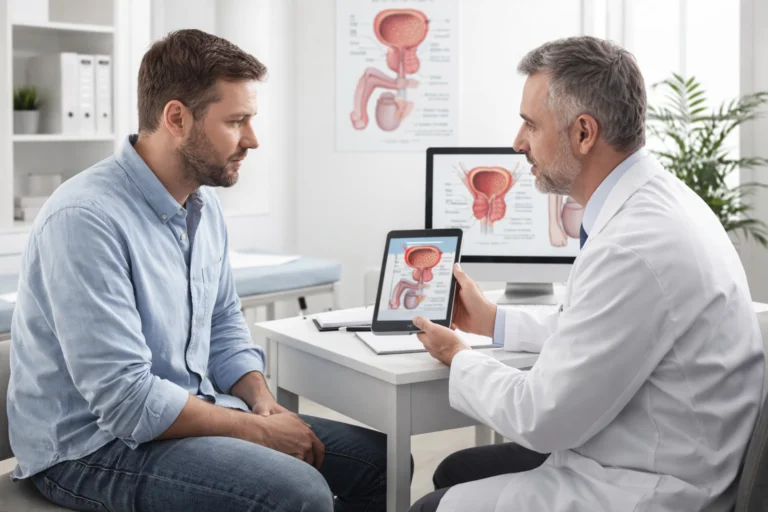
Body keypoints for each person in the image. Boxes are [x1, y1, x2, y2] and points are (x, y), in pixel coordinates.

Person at [7, 29, 390, 512]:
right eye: (236, 121)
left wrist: (261, 401)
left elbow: (223, 324)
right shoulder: (84, 219)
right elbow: (126, 402)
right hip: (90, 448)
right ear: (177, 118)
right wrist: (258, 431)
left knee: (381, 462)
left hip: (186, 412)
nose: (252, 139)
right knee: (299, 491)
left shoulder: (203, 208)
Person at [409, 35, 765, 512]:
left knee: (428, 506)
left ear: (583, 133)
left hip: (647, 485)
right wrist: (492, 320)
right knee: (457, 470)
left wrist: (458, 356)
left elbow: (541, 416)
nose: (518, 143)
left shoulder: (633, 245)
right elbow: (593, 327)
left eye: (531, 125)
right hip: (643, 446)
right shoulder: (659, 202)